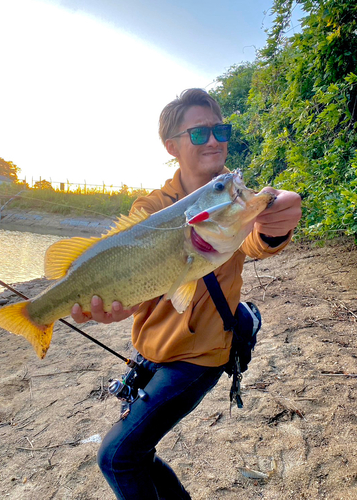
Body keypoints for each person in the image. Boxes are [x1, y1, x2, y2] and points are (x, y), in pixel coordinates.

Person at [71, 88, 302, 499]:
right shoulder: (151, 207)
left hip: (200, 356)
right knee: (137, 453)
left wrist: (277, 223)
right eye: (199, 133)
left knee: (116, 456)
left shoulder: (232, 200)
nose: (213, 139)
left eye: (220, 129)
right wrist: (113, 309)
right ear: (172, 146)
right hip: (151, 353)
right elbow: (138, 291)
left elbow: (255, 241)